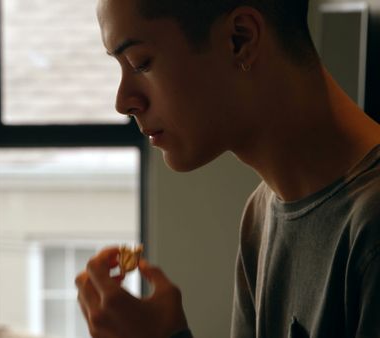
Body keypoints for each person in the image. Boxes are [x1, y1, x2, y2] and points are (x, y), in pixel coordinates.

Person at [74, 0, 380, 337]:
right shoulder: (260, 216)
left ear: (241, 39)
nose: (123, 101)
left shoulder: (371, 226)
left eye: (140, 62)